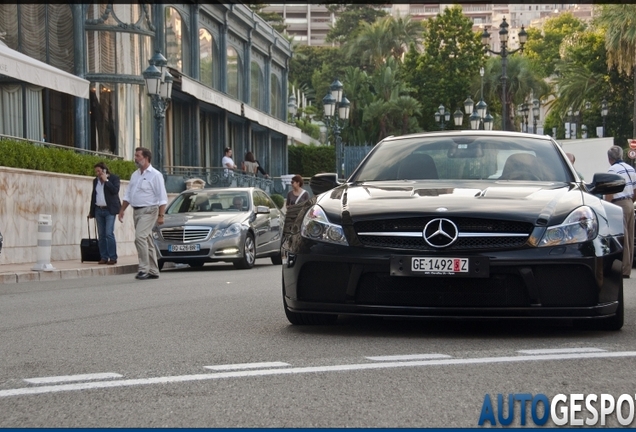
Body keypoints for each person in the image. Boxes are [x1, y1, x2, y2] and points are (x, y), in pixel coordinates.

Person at [118, 147, 168, 280]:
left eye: (138, 155)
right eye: (135, 155)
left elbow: (162, 197)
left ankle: (143, 269)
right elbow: (128, 194)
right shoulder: (135, 175)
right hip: (137, 211)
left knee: (139, 237)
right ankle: (153, 270)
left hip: (150, 210)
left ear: (146, 158)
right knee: (147, 239)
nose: (135, 158)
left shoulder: (155, 175)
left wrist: (161, 216)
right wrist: (122, 209)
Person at [604, 145, 636, 278]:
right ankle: (627, 268)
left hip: (619, 205)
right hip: (629, 203)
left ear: (609, 158)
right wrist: (631, 201)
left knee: (622, 238)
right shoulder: (631, 168)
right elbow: (635, 190)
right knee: (630, 236)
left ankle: (621, 269)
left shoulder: (612, 170)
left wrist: (607, 206)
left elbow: (610, 192)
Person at [88, 162, 121, 265]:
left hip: (109, 210)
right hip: (99, 209)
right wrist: (91, 212)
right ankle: (103, 257)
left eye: (99, 171)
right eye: (96, 171)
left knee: (109, 233)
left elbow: (115, 191)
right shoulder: (95, 181)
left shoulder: (114, 179)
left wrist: (106, 180)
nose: (97, 173)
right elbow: (94, 196)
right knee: (101, 235)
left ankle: (113, 257)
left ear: (104, 170)